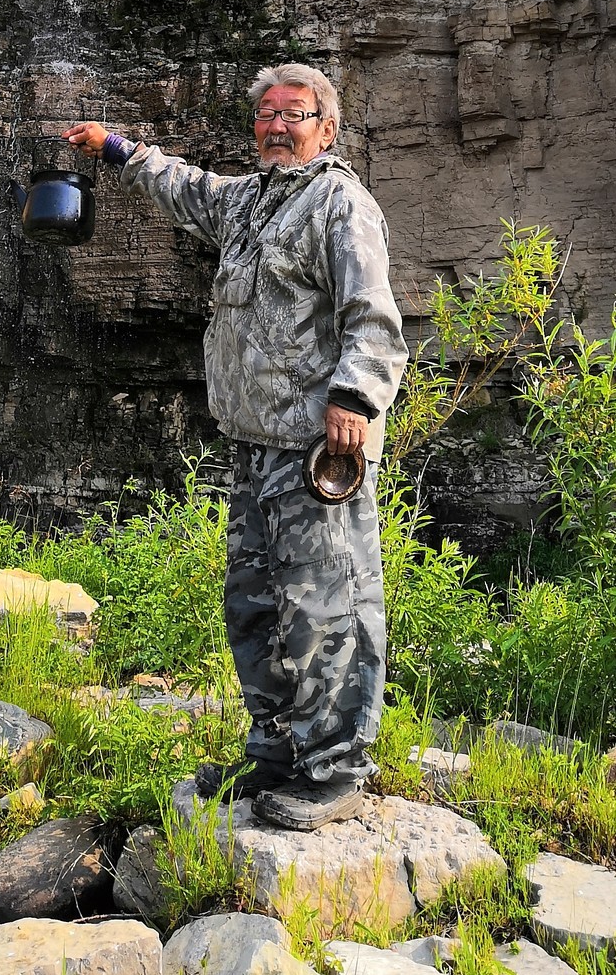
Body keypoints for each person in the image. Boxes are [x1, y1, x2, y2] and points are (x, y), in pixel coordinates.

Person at [67, 62, 406, 831]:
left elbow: (375, 316)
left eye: (296, 113)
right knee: (255, 606)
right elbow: (182, 185)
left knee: (329, 607)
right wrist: (114, 146)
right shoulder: (250, 201)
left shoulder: (339, 203)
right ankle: (278, 749)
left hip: (317, 451)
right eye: (267, 115)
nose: (278, 126)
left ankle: (337, 769)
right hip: (255, 446)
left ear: (327, 127)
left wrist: (353, 398)